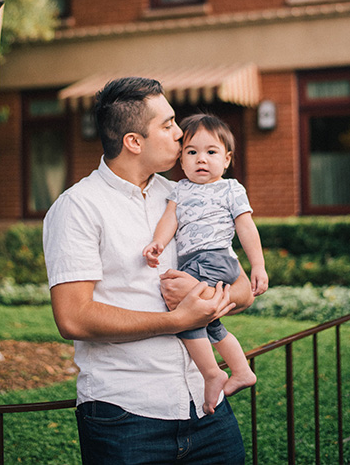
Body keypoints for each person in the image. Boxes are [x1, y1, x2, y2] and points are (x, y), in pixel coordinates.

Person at [43, 77, 250, 465]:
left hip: (206, 406)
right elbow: (73, 318)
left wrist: (205, 297)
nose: (180, 133)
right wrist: (176, 319)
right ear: (134, 142)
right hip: (125, 416)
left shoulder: (183, 194)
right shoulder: (78, 208)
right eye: (168, 124)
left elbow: (242, 289)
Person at [143, 113, 268, 414]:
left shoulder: (230, 189)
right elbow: (169, 220)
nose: (202, 159)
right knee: (209, 320)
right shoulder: (180, 190)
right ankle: (241, 371)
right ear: (181, 160)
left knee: (184, 309)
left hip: (214, 257)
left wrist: (258, 266)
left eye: (211, 152)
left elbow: (246, 228)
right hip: (193, 260)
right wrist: (158, 242)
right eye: (192, 152)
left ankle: (212, 374)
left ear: (226, 160)